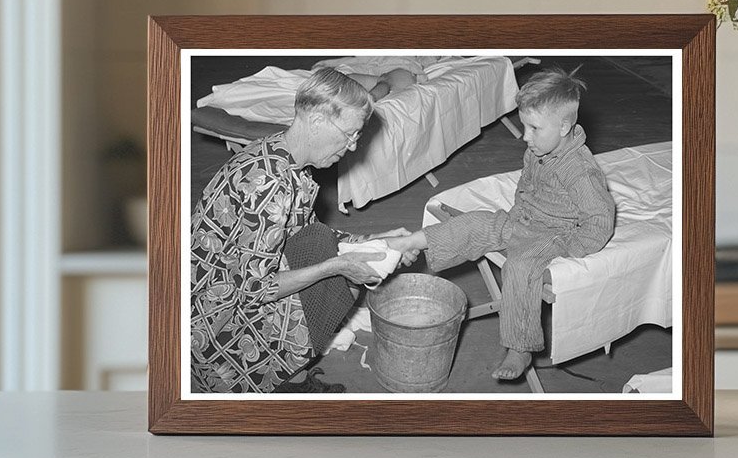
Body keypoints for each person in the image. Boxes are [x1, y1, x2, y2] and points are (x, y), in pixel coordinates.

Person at [190, 67, 415, 394]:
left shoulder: (284, 158)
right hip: (214, 319)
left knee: (321, 246)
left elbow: (305, 233)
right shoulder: (267, 186)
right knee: (337, 284)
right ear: (317, 121)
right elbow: (256, 289)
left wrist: (377, 240)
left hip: (236, 282)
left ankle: (290, 377)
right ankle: (277, 384)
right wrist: (336, 266)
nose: (353, 147)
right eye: (350, 134)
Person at [386, 68, 616, 381]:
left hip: (555, 233)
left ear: (564, 127)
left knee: (519, 267)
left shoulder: (580, 171)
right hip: (523, 220)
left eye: (534, 128)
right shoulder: (539, 149)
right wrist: (519, 210)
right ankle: (412, 242)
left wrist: (573, 249)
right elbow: (526, 184)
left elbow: (600, 219)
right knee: (476, 223)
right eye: (524, 126)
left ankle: (520, 347)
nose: (526, 137)